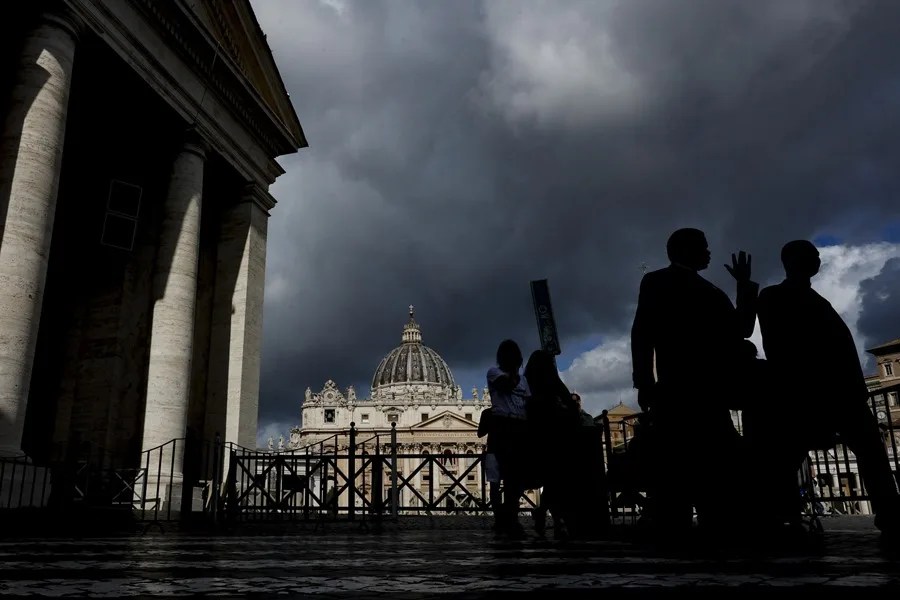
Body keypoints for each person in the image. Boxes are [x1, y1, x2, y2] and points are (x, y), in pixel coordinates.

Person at [757, 240, 900, 535]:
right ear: (793, 261)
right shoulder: (775, 296)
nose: (819, 259)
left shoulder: (813, 298)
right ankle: (777, 513)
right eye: (813, 254)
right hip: (815, 392)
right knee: (793, 455)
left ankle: (889, 511)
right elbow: (779, 347)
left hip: (837, 393)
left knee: (864, 450)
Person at [630, 228, 758, 535]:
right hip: (705, 390)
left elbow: (642, 334)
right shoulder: (710, 292)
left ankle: (676, 522)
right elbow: (742, 328)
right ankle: (711, 520)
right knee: (712, 461)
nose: (710, 253)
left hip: (678, 388)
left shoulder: (658, 282)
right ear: (689, 251)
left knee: (679, 462)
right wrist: (742, 285)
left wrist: (645, 382)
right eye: (705, 247)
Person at [523, 349, 580, 537]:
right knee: (555, 478)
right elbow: (570, 403)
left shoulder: (526, 384)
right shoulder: (553, 382)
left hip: (534, 437)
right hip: (554, 435)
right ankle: (556, 518)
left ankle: (546, 515)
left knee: (549, 478)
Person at [486, 339, 531, 538]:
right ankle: (500, 519)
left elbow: (528, 403)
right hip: (500, 427)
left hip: (519, 427)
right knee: (495, 479)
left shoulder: (524, 380)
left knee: (515, 478)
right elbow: (507, 385)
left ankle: (511, 518)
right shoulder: (494, 373)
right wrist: (515, 371)